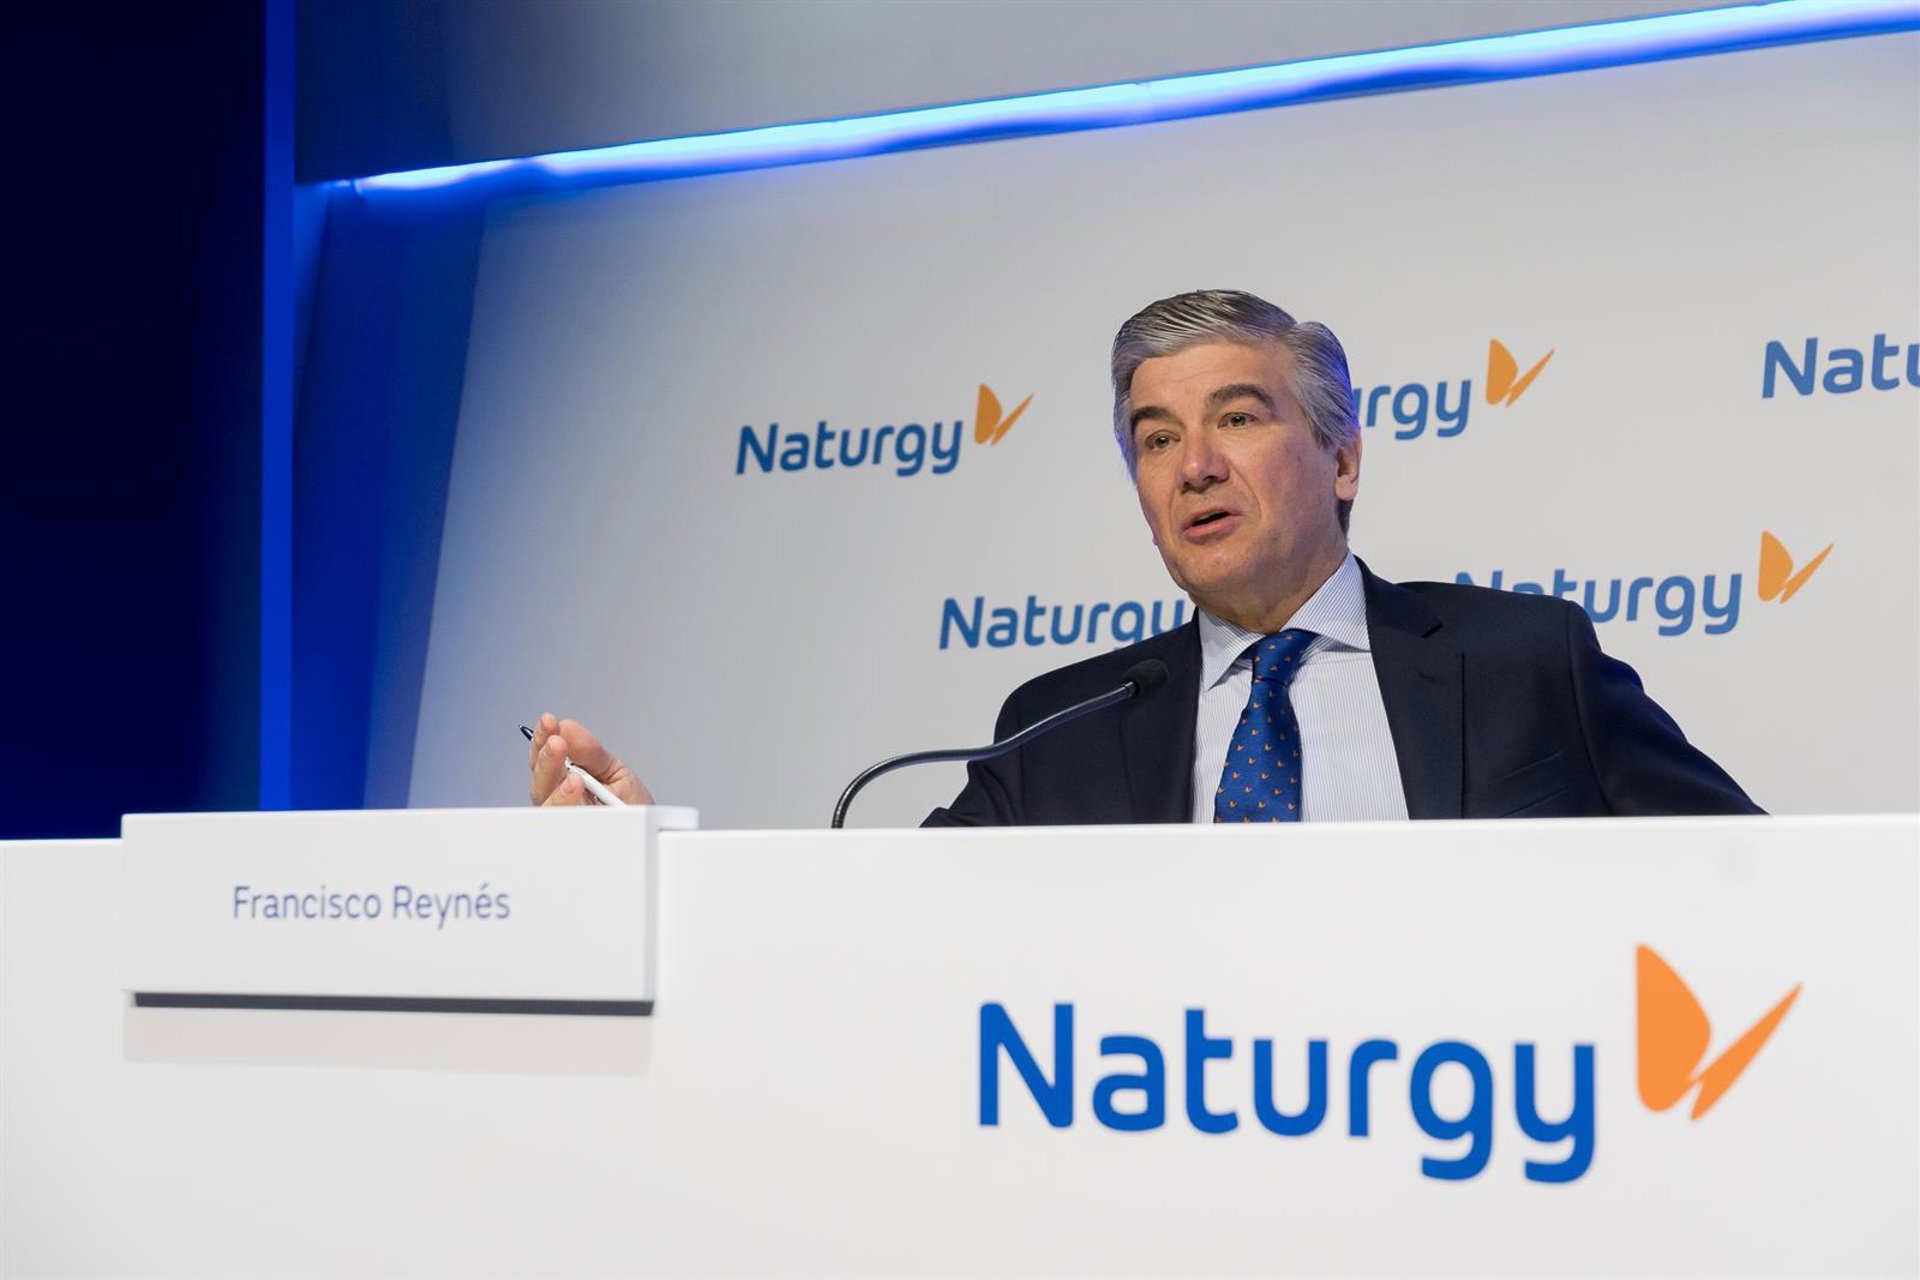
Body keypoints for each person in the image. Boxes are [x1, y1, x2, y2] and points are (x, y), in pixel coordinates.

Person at [530, 290, 1759, 822]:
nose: (1194, 464)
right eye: (1155, 437)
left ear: (1341, 457)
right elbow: (879, 938)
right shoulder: (1059, 727)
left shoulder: (1524, 658)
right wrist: (648, 859)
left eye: (1238, 418)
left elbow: (1755, 877)